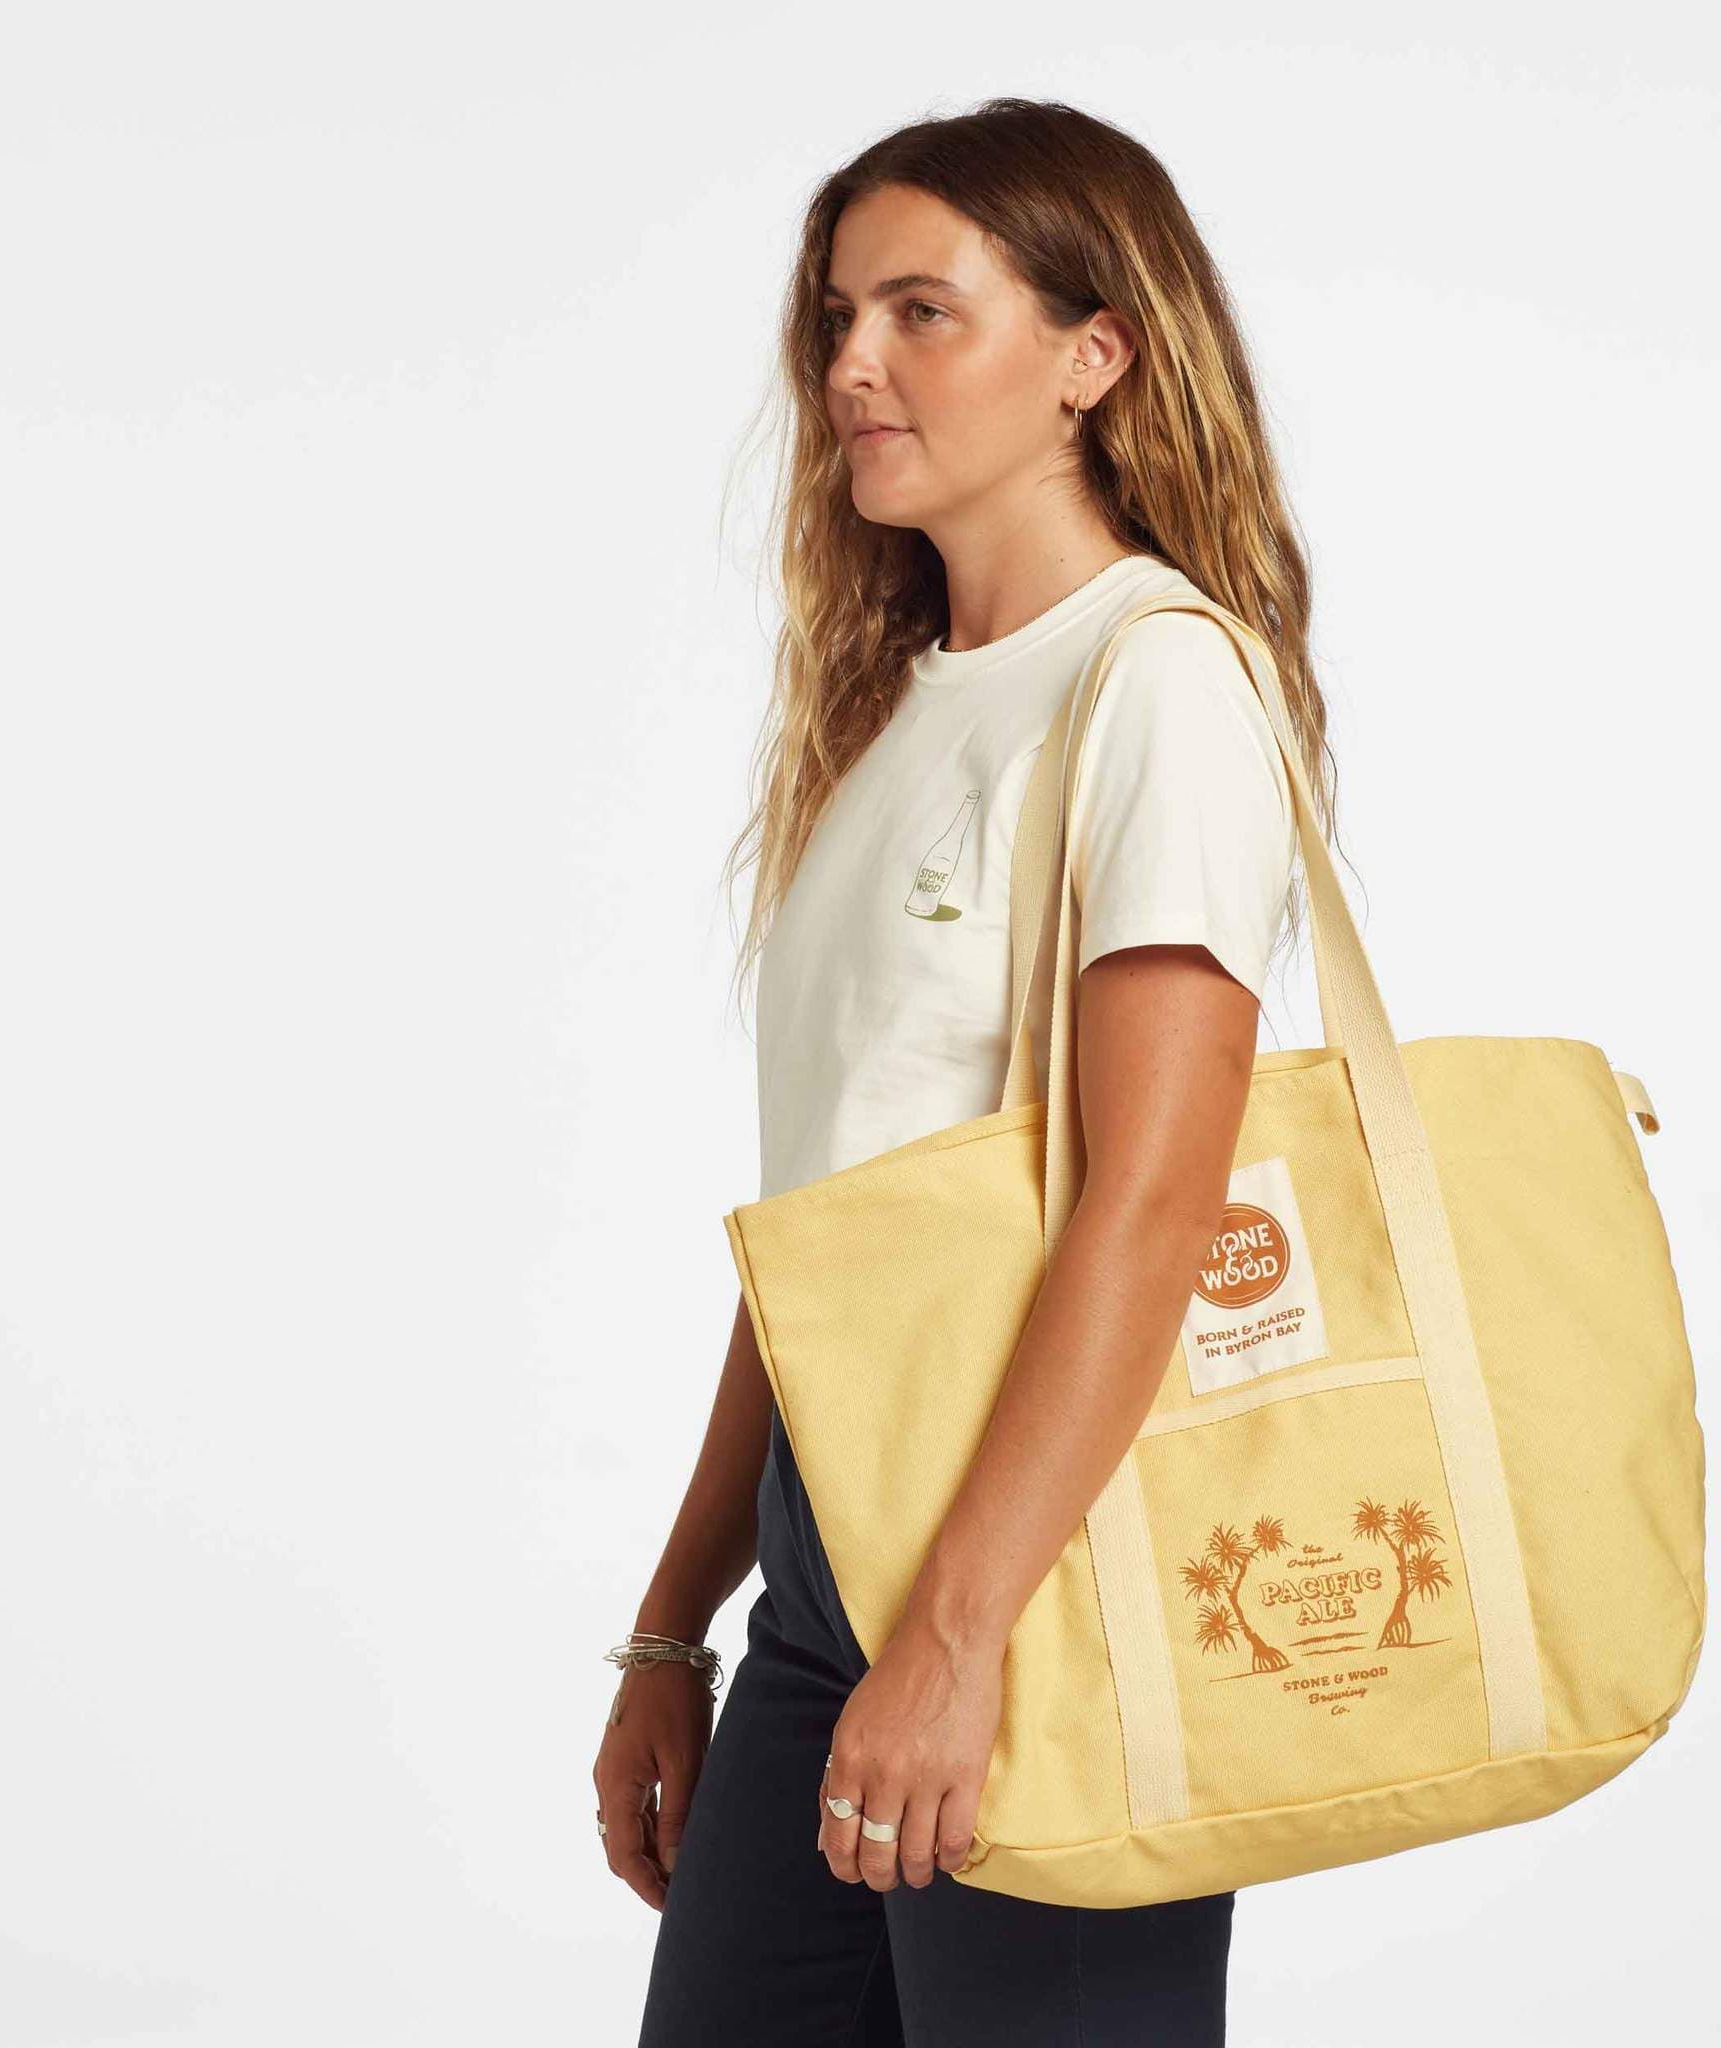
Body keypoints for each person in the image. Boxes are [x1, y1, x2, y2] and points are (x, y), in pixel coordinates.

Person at [597, 96, 1342, 2046]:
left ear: (1095, 357)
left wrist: (957, 1629)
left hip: (1041, 1580)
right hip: (827, 1579)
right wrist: (680, 1620)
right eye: (838, 317)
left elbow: (1154, 1202)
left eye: (921, 311)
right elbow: (830, 1242)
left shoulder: (1155, 681)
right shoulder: (898, 723)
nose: (851, 364)